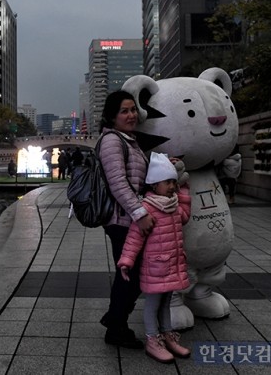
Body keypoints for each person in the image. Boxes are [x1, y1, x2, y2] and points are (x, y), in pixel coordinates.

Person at [117, 152, 192, 364]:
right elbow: (134, 238)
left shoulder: (174, 205)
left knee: (167, 301)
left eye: (174, 182)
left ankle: (168, 335)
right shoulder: (147, 209)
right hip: (156, 268)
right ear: (153, 185)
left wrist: (185, 189)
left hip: (174, 265)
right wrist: (126, 261)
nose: (172, 187)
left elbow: (185, 216)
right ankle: (153, 339)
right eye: (167, 182)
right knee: (153, 304)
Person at [98, 90, 155, 348]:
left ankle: (115, 319)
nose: (131, 115)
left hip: (128, 219)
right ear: (112, 116)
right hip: (122, 221)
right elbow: (118, 184)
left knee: (131, 274)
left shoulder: (128, 140)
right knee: (129, 275)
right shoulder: (112, 141)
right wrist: (140, 214)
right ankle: (116, 328)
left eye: (133, 110)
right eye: (124, 111)